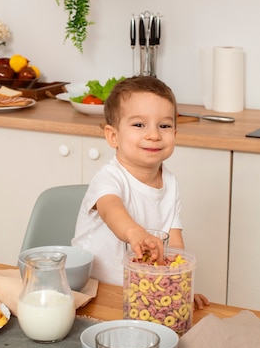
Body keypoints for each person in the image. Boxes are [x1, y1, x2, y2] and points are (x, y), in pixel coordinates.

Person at [72, 75, 208, 309]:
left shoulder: (171, 182)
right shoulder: (109, 177)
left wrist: (180, 285)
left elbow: (174, 240)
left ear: (175, 134)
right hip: (93, 291)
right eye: (139, 125)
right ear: (113, 136)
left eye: (164, 126)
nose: (154, 134)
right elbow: (111, 209)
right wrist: (136, 233)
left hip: (139, 291)